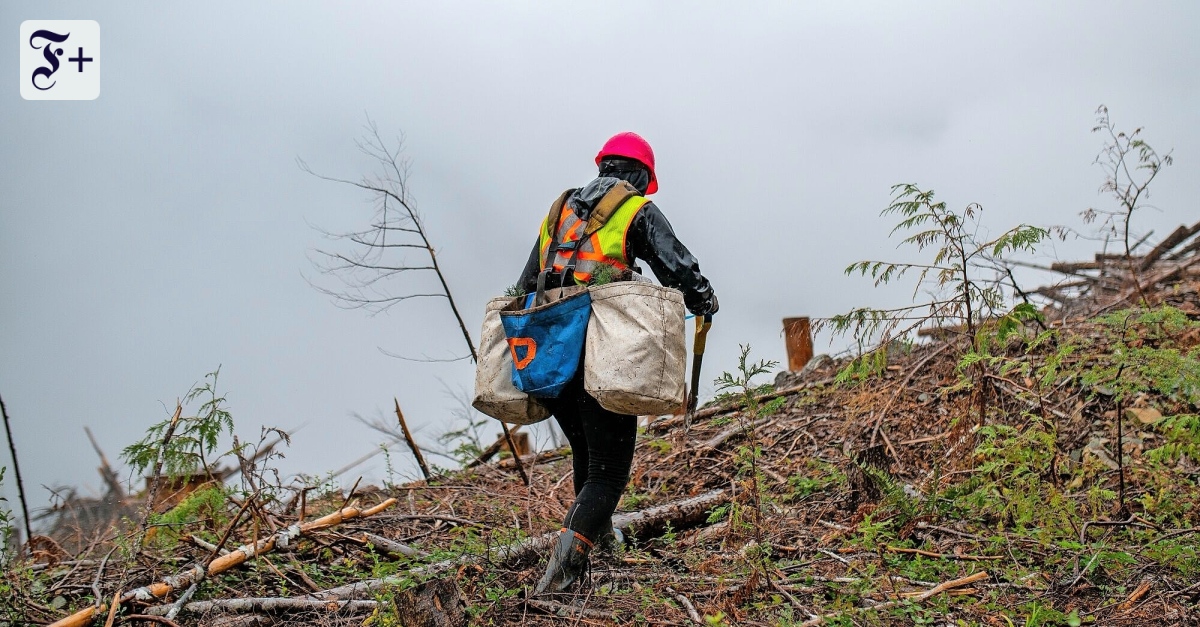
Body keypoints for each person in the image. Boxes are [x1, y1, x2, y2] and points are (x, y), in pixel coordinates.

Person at [516, 131, 718, 594]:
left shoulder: (559, 210)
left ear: (603, 164)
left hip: (549, 353)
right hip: (600, 351)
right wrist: (704, 299)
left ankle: (602, 543)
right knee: (609, 470)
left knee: (589, 454)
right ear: (642, 176)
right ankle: (559, 580)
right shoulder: (634, 210)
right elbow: (678, 267)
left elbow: (527, 280)